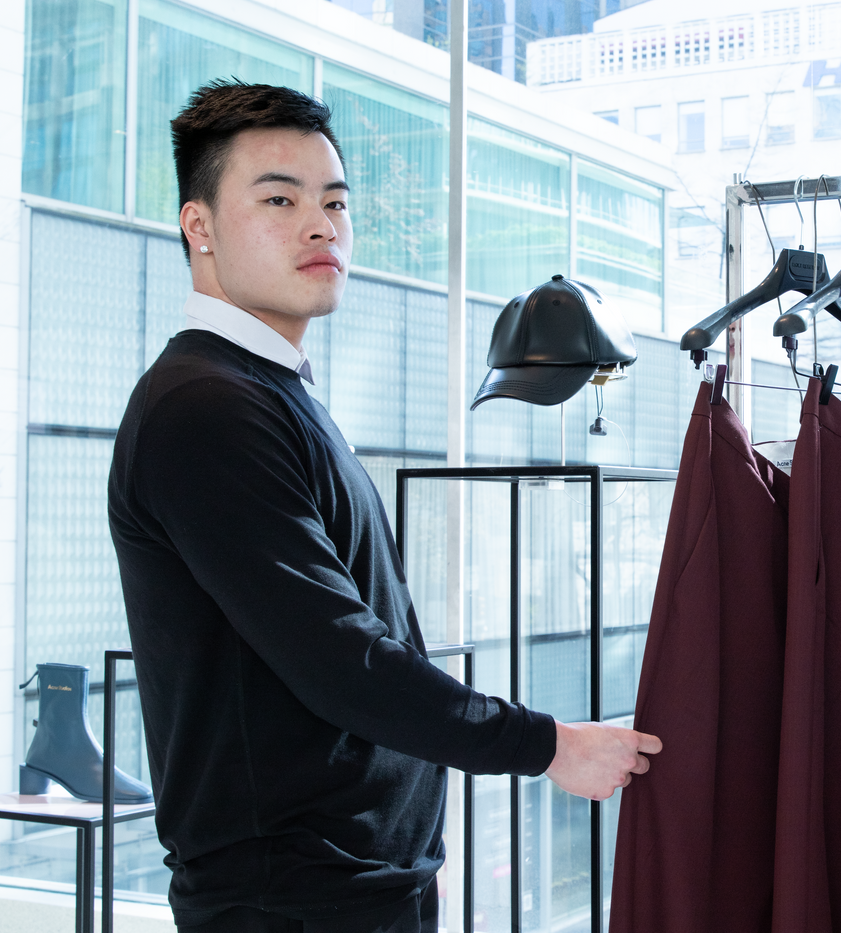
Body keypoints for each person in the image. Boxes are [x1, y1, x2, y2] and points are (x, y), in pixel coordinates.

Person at [107, 79, 661, 933]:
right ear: (200, 227)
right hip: (289, 901)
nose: (321, 224)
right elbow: (340, 657)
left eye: (334, 200)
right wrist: (546, 744)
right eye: (280, 199)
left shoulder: (268, 392)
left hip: (347, 888)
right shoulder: (206, 408)